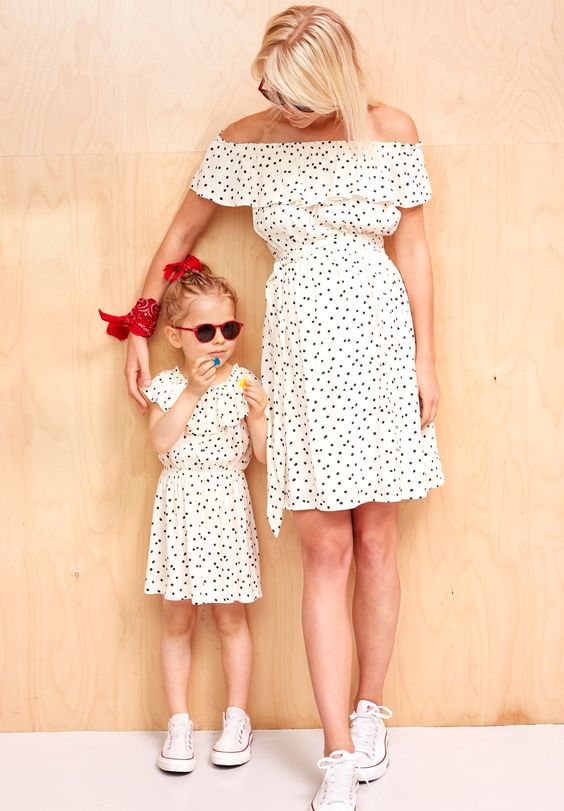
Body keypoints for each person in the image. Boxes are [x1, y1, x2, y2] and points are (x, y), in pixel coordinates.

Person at [100, 5, 445, 809]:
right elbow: (180, 230)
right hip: (302, 358)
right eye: (269, 86)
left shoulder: (390, 129)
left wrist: (428, 358)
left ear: (333, 85)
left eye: (293, 94)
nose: (276, 103)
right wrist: (141, 324)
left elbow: (416, 248)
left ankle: (370, 709)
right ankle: (334, 751)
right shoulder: (251, 140)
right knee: (324, 547)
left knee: (378, 539)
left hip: (381, 344)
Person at [118, 256, 268, 772]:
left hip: (227, 506)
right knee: (177, 618)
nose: (220, 341)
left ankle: (237, 718)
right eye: (206, 331)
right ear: (177, 336)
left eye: (229, 328)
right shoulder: (164, 386)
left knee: (231, 617)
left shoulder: (246, 383)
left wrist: (261, 417)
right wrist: (195, 390)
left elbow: (266, 458)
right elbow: (160, 443)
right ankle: (178, 722)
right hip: (180, 506)